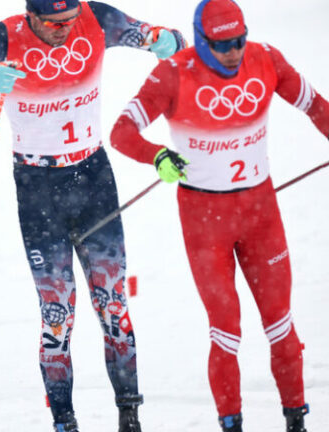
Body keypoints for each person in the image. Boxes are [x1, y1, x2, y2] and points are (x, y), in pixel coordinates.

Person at [0, 0, 188, 431]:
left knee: (114, 307)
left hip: (92, 179)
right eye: (52, 23)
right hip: (38, 187)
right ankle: (65, 422)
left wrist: (168, 41)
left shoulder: (96, 17)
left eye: (69, 20)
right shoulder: (2, 37)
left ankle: (129, 415)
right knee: (57, 316)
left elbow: (169, 40)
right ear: (31, 15)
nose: (63, 30)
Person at [109, 0, 329, 431]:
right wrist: (157, 156)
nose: (233, 52)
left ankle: (296, 421)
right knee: (226, 329)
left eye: (239, 42)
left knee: (280, 323)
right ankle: (231, 423)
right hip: (204, 220)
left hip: (261, 215)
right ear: (201, 40)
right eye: (222, 45)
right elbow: (121, 132)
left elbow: (316, 106)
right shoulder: (173, 72)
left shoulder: (265, 59)